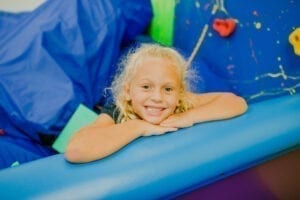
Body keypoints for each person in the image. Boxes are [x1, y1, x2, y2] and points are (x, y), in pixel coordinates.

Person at [65, 44, 248, 163]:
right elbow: (75, 150)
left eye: (168, 89)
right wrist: (138, 127)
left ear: (179, 93)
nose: (158, 97)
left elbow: (236, 103)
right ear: (128, 91)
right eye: (146, 87)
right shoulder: (117, 111)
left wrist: (187, 117)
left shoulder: (180, 105)